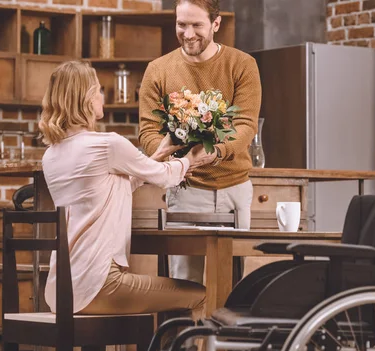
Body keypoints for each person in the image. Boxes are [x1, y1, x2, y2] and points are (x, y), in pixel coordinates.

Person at [39, 60, 208, 319]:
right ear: (85, 98)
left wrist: (160, 153)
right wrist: (191, 159)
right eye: (97, 89)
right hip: (101, 285)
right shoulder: (108, 145)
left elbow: (117, 187)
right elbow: (165, 178)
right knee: (201, 295)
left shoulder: (51, 154)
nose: (101, 95)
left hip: (61, 292)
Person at [138, 0, 262, 284]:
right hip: (185, 190)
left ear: (215, 25)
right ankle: (186, 331)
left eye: (197, 25)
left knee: (232, 285)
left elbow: (245, 125)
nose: (189, 33)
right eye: (182, 24)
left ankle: (225, 332)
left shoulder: (242, 65)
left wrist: (216, 153)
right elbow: (148, 132)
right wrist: (173, 163)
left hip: (234, 189)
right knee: (184, 284)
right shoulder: (157, 70)